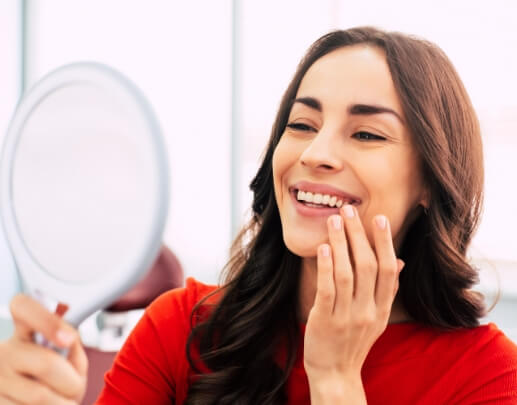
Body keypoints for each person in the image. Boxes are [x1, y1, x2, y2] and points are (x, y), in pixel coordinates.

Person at [1, 26, 516, 405]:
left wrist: (335, 380)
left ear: (430, 183)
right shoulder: (179, 330)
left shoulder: (490, 378)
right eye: (301, 124)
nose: (316, 152)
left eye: (366, 134)